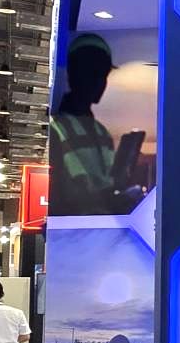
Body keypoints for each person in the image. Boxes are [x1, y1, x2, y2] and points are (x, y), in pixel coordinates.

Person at [49, 33, 141, 216]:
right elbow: (57, 194)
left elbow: (107, 184)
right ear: (72, 75)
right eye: (92, 74)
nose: (99, 83)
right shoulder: (55, 127)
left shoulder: (102, 132)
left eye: (103, 75)